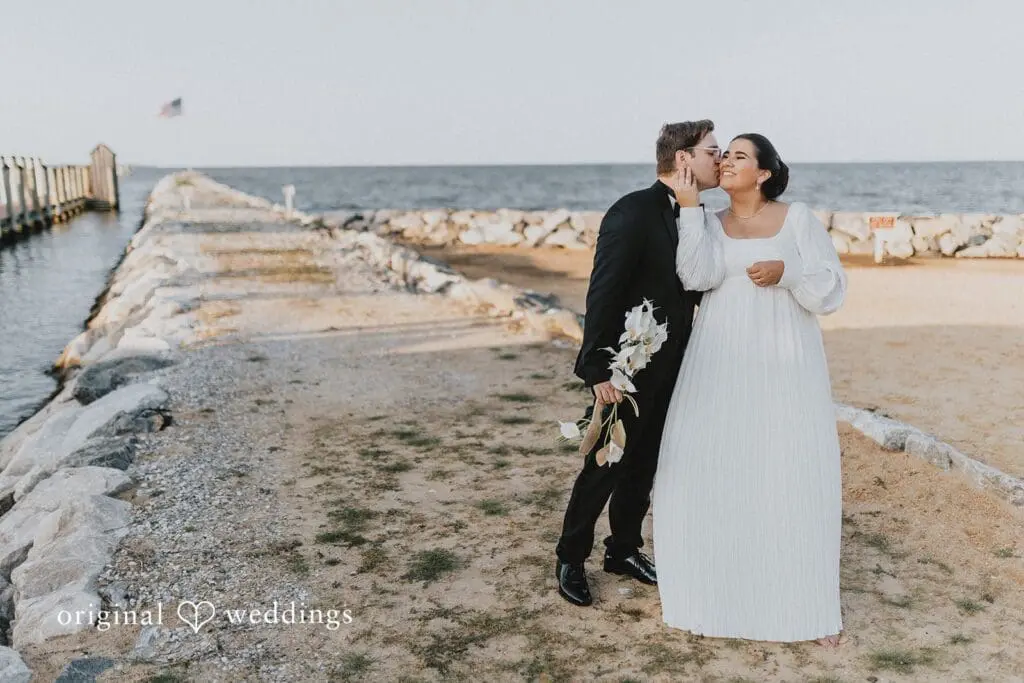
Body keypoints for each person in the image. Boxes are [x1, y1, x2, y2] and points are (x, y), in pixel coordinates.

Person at [652, 133, 847, 646]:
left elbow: (831, 287)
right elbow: (694, 276)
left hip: (785, 359)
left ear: (763, 173)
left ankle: (802, 606)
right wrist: (691, 210)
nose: (727, 161)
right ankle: (712, 594)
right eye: (725, 155)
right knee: (707, 462)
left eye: (739, 155)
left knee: (786, 466)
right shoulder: (709, 223)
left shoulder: (797, 217)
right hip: (718, 355)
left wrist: (789, 271)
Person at [554, 120, 722, 607]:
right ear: (684, 158)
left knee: (644, 465)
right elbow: (602, 292)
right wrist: (598, 369)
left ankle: (623, 549)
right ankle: (570, 556)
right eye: (713, 150)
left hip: (677, 367)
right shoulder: (631, 211)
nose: (720, 158)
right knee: (604, 462)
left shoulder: (700, 214)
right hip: (626, 366)